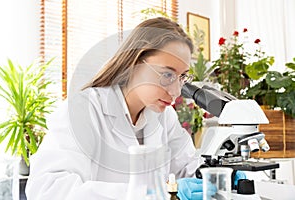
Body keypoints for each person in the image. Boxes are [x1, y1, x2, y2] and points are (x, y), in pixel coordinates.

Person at [26, 17, 244, 200]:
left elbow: (186, 167)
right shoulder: (85, 109)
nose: (176, 91)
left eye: (181, 77)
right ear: (134, 63)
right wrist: (152, 193)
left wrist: (216, 172)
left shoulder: (164, 116)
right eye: (167, 75)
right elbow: (48, 189)